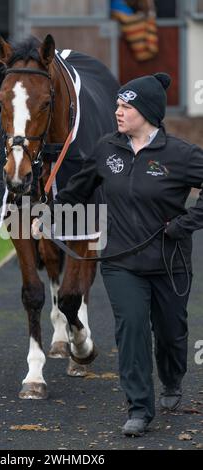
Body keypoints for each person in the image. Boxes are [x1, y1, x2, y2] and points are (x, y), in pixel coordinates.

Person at [32, 72, 203, 437]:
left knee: (171, 333)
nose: (118, 112)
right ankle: (140, 408)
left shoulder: (181, 154)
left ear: (148, 112)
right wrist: (46, 216)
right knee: (132, 329)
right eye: (118, 105)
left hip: (170, 264)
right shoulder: (107, 148)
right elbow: (76, 191)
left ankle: (172, 380)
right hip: (121, 262)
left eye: (126, 106)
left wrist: (185, 224)